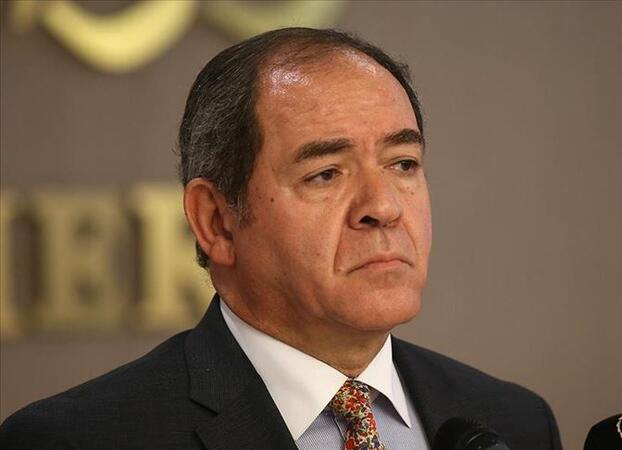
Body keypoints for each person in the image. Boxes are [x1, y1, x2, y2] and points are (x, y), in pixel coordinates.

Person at [0, 28, 561, 450]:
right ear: (216, 221)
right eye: (326, 174)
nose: (384, 207)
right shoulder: (80, 438)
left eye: (403, 164)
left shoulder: (514, 421)